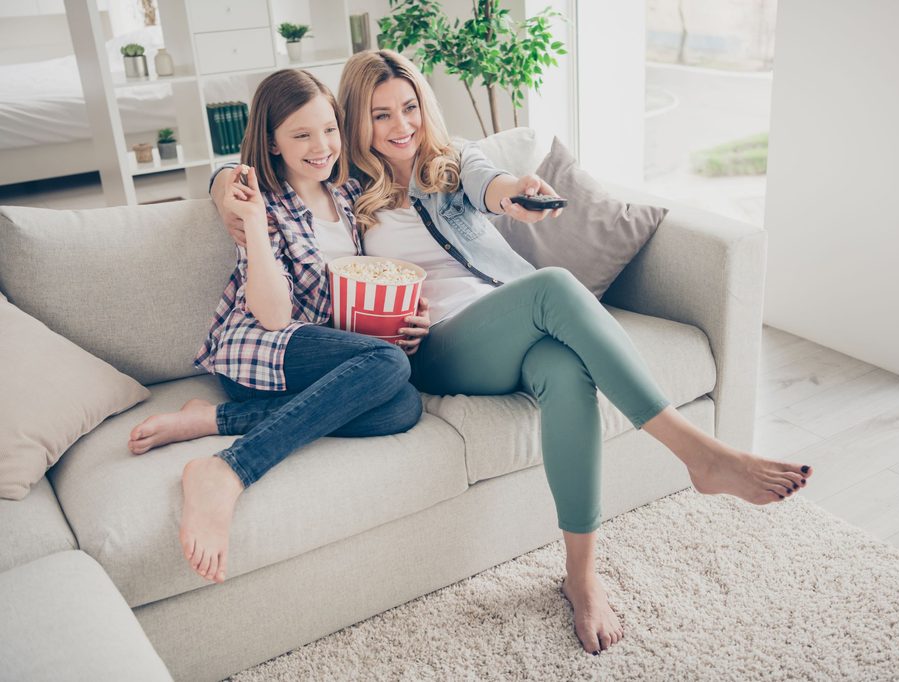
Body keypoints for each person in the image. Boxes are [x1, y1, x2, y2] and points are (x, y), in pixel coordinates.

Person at [212, 51, 813, 655]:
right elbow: (263, 165)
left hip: (505, 325)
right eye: (380, 115)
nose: (401, 126)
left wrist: (513, 195)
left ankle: (581, 577)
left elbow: (491, 184)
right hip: (438, 347)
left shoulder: (451, 161)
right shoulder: (346, 186)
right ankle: (699, 455)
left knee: (564, 370)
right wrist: (221, 187)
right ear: (355, 124)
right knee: (551, 286)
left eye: (411, 107)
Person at [128, 69, 430, 585]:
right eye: (301, 135)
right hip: (260, 350)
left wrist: (411, 314)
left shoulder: (350, 190)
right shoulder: (262, 204)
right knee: (386, 363)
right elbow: (272, 316)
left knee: (404, 407)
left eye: (330, 129)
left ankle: (217, 419)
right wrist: (250, 222)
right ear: (271, 142)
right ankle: (227, 469)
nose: (322, 146)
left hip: (318, 353)